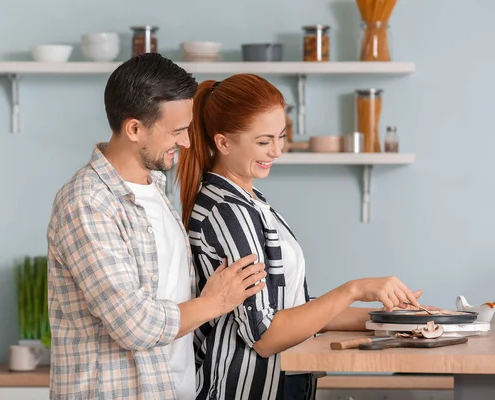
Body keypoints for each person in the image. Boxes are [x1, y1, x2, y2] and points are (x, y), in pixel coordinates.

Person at [176, 74, 424, 400]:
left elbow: (291, 310)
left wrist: (391, 319)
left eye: (280, 136)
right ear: (223, 143)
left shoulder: (253, 204)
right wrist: (355, 289)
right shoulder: (228, 213)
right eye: (264, 142)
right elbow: (265, 335)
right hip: (246, 390)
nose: (277, 151)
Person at [46, 54, 267, 400]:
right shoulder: (87, 203)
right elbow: (134, 325)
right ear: (134, 129)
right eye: (177, 131)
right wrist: (217, 301)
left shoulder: (156, 189)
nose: (187, 143)